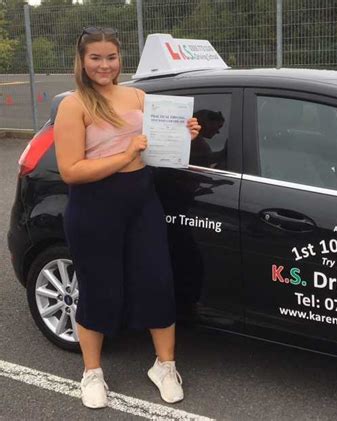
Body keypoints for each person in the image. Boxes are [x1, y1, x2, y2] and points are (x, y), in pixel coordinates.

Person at [54, 27, 201, 409]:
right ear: (82, 61)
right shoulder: (74, 104)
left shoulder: (137, 95)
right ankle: (92, 373)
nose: (104, 65)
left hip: (142, 202)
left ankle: (164, 366)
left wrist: (185, 133)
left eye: (111, 57)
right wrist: (125, 155)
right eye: (96, 58)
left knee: (158, 282)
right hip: (93, 207)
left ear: (121, 59)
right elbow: (70, 170)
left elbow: (158, 146)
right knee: (99, 288)